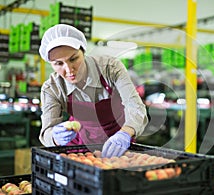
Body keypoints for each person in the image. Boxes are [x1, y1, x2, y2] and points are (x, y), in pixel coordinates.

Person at [38, 24, 148, 158]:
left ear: (83, 52)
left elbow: (135, 107)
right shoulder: (52, 88)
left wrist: (125, 133)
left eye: (73, 59)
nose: (68, 69)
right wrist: (55, 136)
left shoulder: (110, 68)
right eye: (58, 63)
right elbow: (46, 132)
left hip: (118, 143)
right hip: (79, 146)